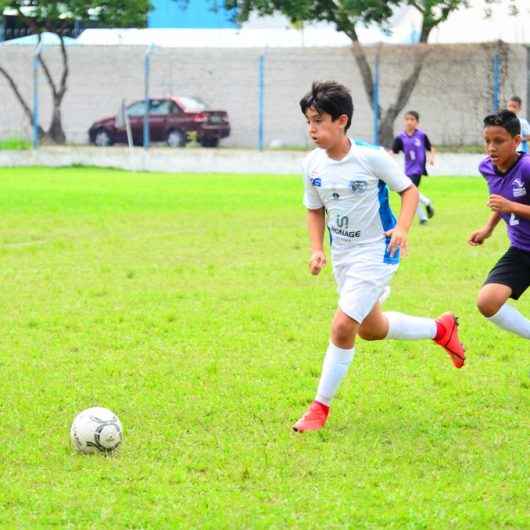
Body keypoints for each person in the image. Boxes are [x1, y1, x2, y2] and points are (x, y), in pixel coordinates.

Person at [293, 81, 465, 433]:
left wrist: (402, 229)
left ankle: (319, 407)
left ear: (341, 121)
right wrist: (316, 250)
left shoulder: (370, 157)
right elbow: (314, 210)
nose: (312, 129)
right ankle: (440, 328)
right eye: (308, 122)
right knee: (372, 329)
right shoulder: (312, 164)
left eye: (318, 121)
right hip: (343, 255)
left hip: (377, 252)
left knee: (342, 327)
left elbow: (410, 191)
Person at [468, 109, 530, 340]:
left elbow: (507, 204)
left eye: (499, 141)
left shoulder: (526, 167)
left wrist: (511, 207)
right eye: (487, 141)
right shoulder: (486, 168)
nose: (491, 147)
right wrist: (488, 229)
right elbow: (499, 201)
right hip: (522, 250)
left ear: (516, 141)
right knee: (487, 302)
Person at [392, 111, 435, 225]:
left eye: (412, 119)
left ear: (417, 122)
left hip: (417, 170)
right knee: (411, 193)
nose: (409, 122)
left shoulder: (421, 136)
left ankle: (425, 210)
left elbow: (430, 148)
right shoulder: (400, 138)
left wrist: (431, 159)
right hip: (408, 170)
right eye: (407, 119)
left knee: (408, 192)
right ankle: (425, 211)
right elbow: (394, 152)